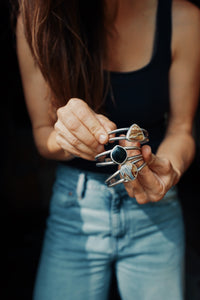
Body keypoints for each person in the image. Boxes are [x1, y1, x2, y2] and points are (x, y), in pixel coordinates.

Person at [14, 0, 200, 299]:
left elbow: (182, 129)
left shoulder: (183, 18)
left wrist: (171, 166)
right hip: (75, 210)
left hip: (156, 212)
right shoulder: (37, 18)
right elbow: (42, 134)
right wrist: (66, 137)